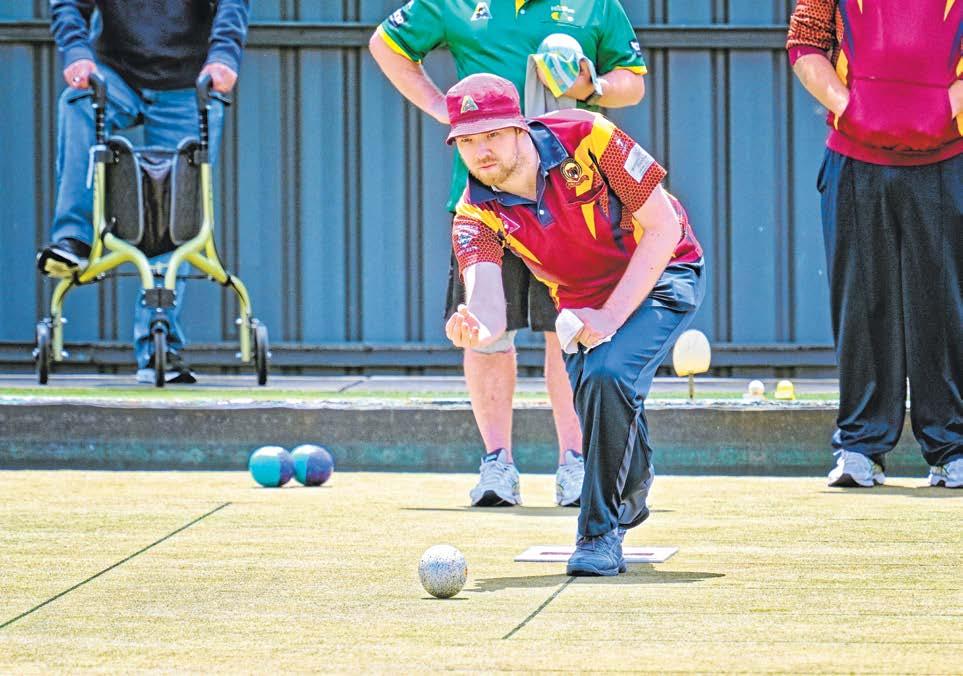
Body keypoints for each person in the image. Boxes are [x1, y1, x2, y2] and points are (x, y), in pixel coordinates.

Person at [370, 0, 647, 507]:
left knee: (571, 332)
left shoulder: (595, 4)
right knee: (487, 333)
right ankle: (497, 464)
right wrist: (446, 110)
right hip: (486, 201)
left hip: (572, 199)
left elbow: (632, 81)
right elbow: (386, 45)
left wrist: (592, 87)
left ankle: (576, 463)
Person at [443, 73, 705, 575]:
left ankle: (598, 536)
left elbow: (664, 227)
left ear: (519, 128)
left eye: (492, 134)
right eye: (468, 141)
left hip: (666, 269)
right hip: (583, 303)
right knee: (597, 394)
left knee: (607, 374)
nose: (482, 151)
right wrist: (476, 326)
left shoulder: (589, 134)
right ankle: (631, 486)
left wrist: (610, 316)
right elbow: (488, 303)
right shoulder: (473, 212)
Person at [787, 1, 963, 488]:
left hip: (948, 157)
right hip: (855, 158)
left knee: (945, 307)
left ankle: (953, 447)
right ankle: (860, 446)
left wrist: (942, 108)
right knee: (861, 307)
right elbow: (805, 40)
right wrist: (851, 107)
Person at [38, 0, 250, 383]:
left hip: (187, 82)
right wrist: (77, 52)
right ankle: (73, 240)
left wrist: (224, 56)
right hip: (116, 74)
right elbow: (68, 4)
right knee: (78, 101)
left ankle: (158, 343)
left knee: (177, 208)